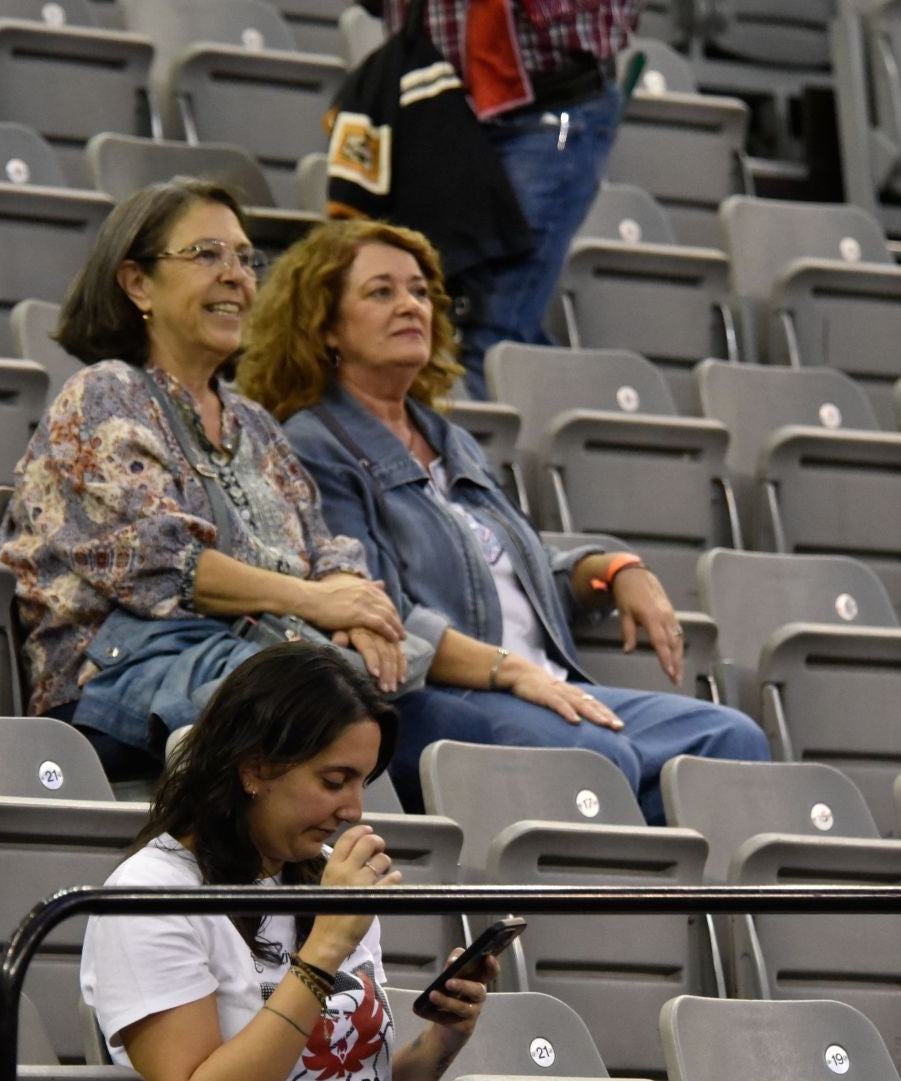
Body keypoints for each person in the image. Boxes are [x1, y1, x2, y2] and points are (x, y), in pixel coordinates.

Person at [237, 219, 768, 821]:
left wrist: (614, 569)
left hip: (540, 684)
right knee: (597, 758)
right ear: (325, 325)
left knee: (731, 741)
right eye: (381, 292)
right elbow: (375, 612)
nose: (409, 305)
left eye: (418, 292)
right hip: (437, 695)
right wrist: (509, 671)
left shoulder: (450, 439)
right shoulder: (314, 445)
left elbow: (520, 567)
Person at [80, 643, 620, 1081]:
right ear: (254, 768)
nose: (354, 809)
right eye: (334, 780)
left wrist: (441, 1043)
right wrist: (325, 948)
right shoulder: (150, 895)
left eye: (362, 782)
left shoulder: (322, 876)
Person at [0, 179, 412, 779]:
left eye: (245, 259)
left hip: (256, 662)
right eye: (207, 254)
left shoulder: (257, 422)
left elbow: (325, 545)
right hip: (116, 677)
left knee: (388, 713)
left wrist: (355, 605)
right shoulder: (105, 395)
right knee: (328, 720)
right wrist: (316, 599)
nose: (236, 275)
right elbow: (166, 562)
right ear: (137, 282)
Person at [360, 0, 638, 395]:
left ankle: (481, 449)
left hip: (553, 111)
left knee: (496, 323)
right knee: (425, 307)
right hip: (435, 109)